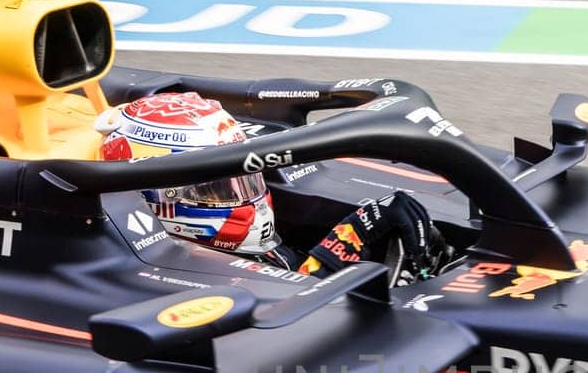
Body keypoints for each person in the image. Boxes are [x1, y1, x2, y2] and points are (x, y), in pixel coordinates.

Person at [96, 93, 446, 281]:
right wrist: (351, 238)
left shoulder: (255, 250)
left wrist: (358, 231)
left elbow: (291, 275)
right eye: (215, 189)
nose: (241, 197)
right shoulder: (172, 274)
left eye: (240, 181)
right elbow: (293, 302)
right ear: (159, 198)